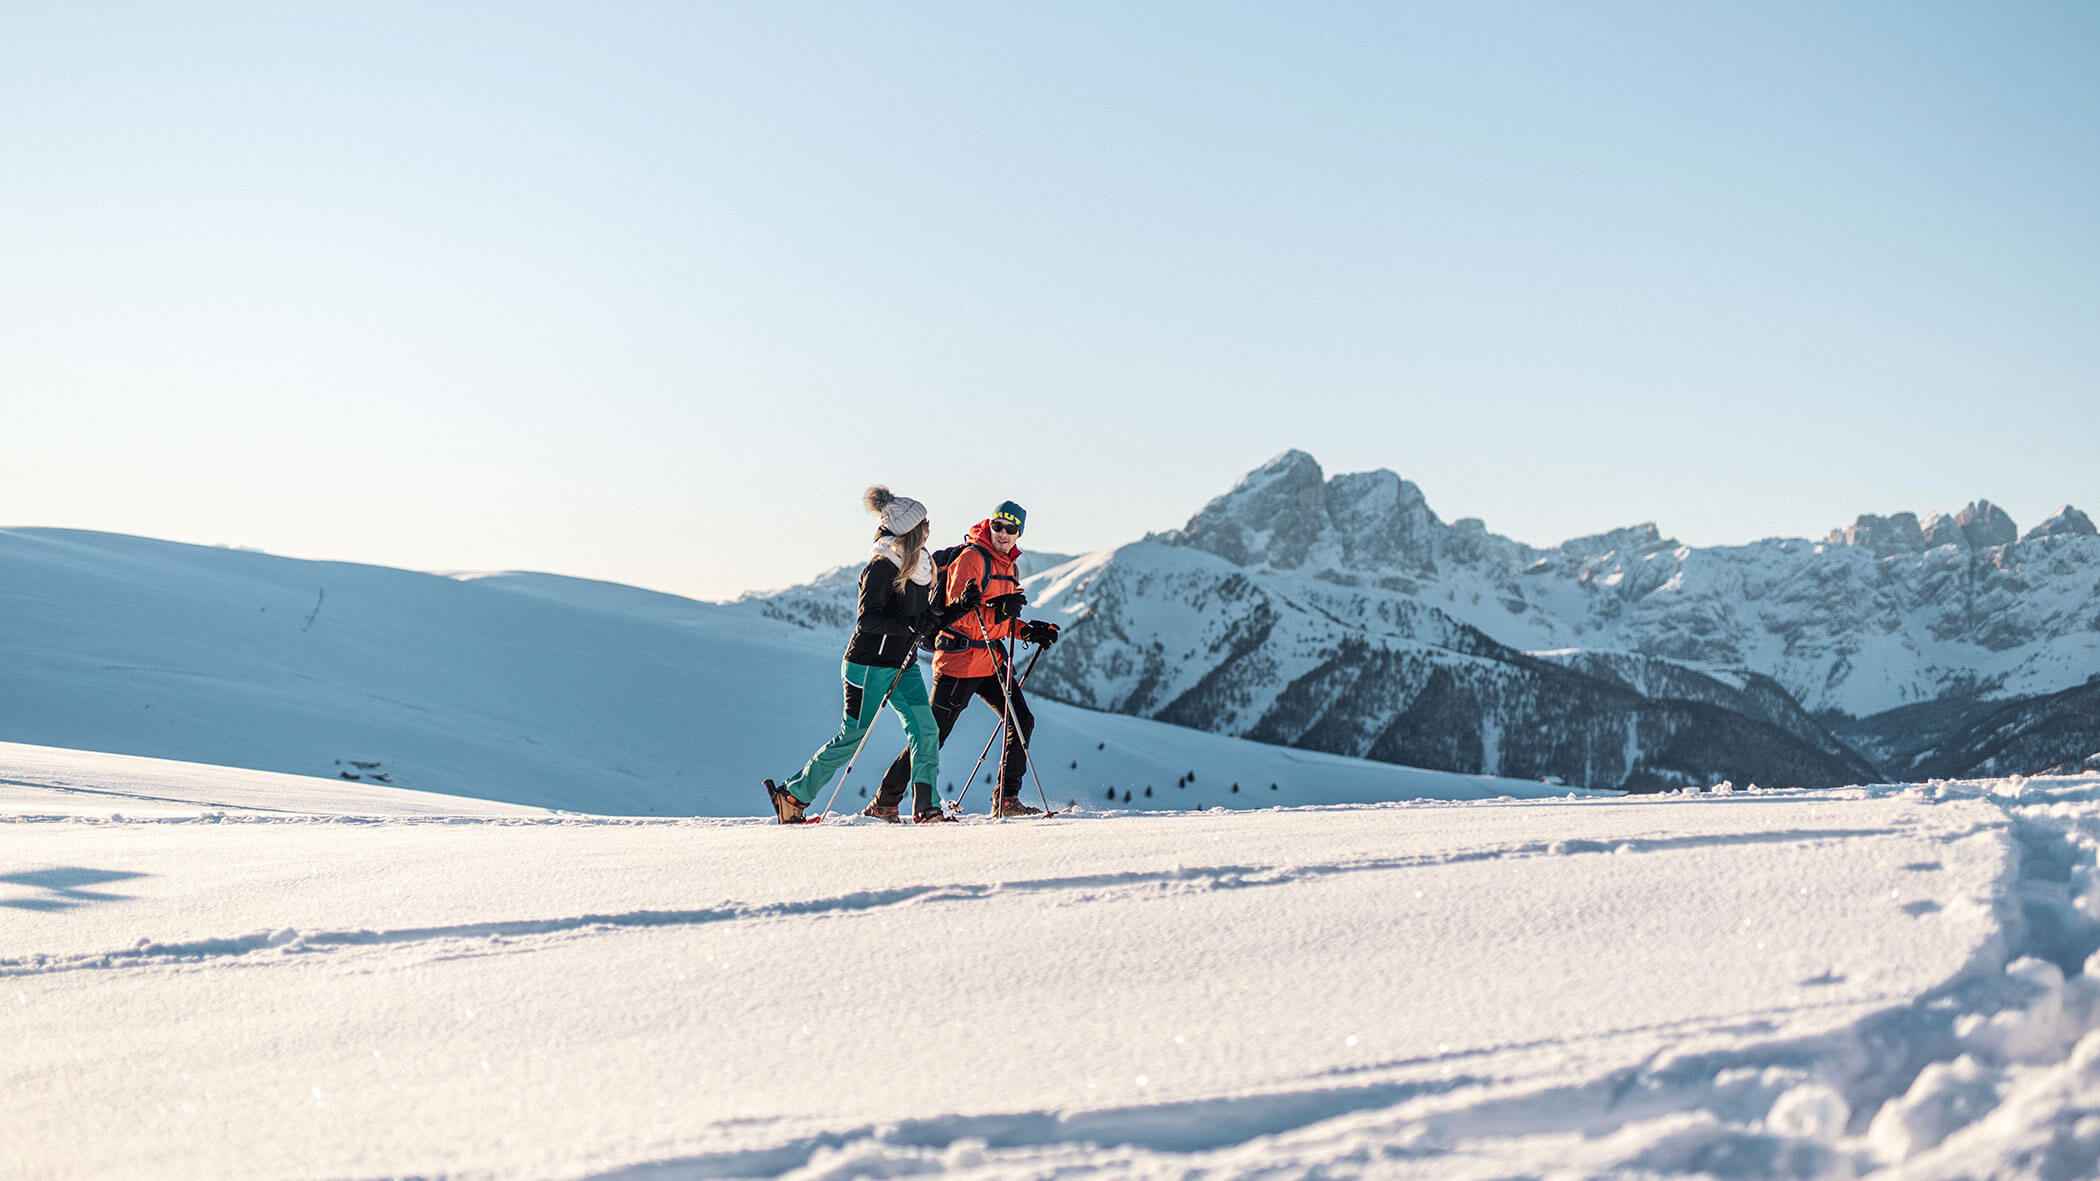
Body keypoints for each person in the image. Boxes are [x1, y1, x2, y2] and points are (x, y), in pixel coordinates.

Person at [763, 487, 979, 825]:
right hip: (867, 666)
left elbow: (925, 622)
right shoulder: (881, 566)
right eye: (923, 523)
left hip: (902, 665)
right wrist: (913, 626)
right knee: (853, 737)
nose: (929, 527)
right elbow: (868, 620)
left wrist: (960, 608)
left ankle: (927, 807)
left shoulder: (920, 565)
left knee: (926, 731)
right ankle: (792, 796)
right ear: (908, 531)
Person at [869, 499, 1060, 820]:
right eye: (998, 525)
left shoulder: (1010, 566)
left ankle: (1007, 799)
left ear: (1018, 534)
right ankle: (886, 799)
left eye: (1010, 529)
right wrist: (1000, 611)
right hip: (958, 660)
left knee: (1021, 719)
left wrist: (1029, 631)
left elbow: (998, 622)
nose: (1002, 532)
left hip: (989, 660)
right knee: (934, 735)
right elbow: (957, 617)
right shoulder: (972, 559)